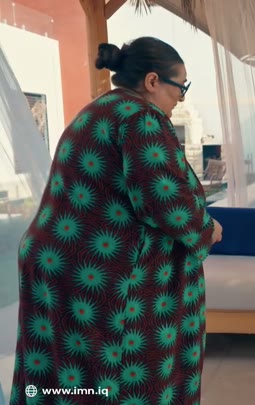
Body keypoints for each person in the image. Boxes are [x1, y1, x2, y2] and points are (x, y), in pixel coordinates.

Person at [10, 37, 222, 404]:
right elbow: (164, 200)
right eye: (180, 87)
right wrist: (207, 228)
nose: (181, 99)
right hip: (103, 278)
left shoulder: (98, 110)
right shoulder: (141, 118)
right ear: (153, 81)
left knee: (65, 377)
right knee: (123, 379)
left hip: (60, 266)